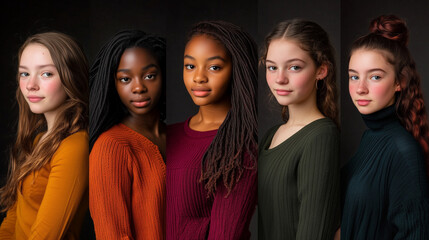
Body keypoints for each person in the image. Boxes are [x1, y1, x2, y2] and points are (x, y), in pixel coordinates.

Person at [166, 21, 258, 239]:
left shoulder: (241, 148)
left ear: (237, 69)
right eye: (190, 66)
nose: (198, 77)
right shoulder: (169, 135)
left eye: (214, 67)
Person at [341, 15, 429, 239]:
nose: (360, 88)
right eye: (353, 77)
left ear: (399, 82)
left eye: (375, 77)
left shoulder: (403, 151)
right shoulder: (370, 137)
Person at [0, 32, 89, 239]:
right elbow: (13, 220)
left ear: (71, 77)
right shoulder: (36, 142)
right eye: (24, 74)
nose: (31, 85)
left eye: (46, 74)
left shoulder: (74, 146)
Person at [258, 19, 340, 239]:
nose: (280, 79)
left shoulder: (321, 136)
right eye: (272, 67)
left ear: (321, 70)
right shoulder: (270, 136)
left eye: (294, 67)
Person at [89, 30, 166, 240]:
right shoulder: (111, 147)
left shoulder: (178, 135)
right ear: (113, 85)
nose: (139, 87)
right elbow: (112, 235)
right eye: (125, 79)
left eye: (149, 76)